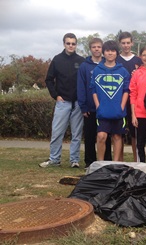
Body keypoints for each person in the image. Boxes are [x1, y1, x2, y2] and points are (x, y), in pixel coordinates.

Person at [39, 33, 85, 168]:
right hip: (62, 102)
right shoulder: (57, 59)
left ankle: (74, 160)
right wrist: (56, 95)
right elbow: (49, 79)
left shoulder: (81, 61)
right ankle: (54, 159)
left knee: (76, 134)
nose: (71, 46)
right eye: (68, 43)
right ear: (64, 44)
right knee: (57, 132)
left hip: (77, 103)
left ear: (76, 45)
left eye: (73, 43)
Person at [90, 40, 130, 161]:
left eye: (113, 51)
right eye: (107, 51)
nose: (110, 53)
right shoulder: (97, 70)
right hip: (103, 112)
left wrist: (122, 106)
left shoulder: (123, 71)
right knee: (101, 136)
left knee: (117, 136)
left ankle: (116, 164)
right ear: (104, 53)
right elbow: (93, 90)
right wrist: (98, 106)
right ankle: (100, 164)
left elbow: (126, 91)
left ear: (117, 53)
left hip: (118, 112)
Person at [77, 37, 112, 169]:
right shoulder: (84, 66)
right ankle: (89, 162)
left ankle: (107, 161)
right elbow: (81, 87)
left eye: (99, 47)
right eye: (94, 47)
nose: (97, 49)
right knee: (90, 136)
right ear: (90, 49)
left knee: (105, 136)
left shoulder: (107, 64)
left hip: (105, 108)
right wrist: (83, 106)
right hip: (90, 108)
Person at [116, 31, 142, 161]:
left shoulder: (139, 60)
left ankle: (136, 160)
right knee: (118, 133)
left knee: (134, 134)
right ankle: (119, 162)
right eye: (123, 43)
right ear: (120, 44)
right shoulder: (116, 59)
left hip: (134, 102)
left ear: (132, 43)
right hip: (118, 101)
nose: (126, 45)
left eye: (128, 43)